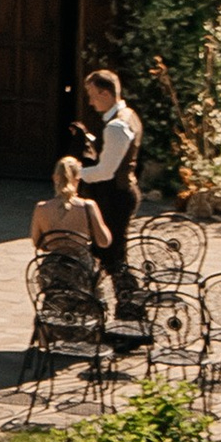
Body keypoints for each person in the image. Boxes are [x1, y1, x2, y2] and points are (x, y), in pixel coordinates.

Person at [74, 66, 143, 295]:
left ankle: (130, 301)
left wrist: (75, 173)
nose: (90, 102)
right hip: (119, 191)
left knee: (111, 254)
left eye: (93, 96)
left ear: (105, 93)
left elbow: (106, 171)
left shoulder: (117, 125)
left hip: (115, 195)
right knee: (111, 252)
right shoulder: (128, 115)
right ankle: (118, 298)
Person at [31, 153, 113, 269]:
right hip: (82, 265)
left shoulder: (41, 208)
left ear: (55, 178)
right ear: (78, 179)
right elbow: (104, 242)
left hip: (54, 266)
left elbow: (37, 243)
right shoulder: (88, 206)